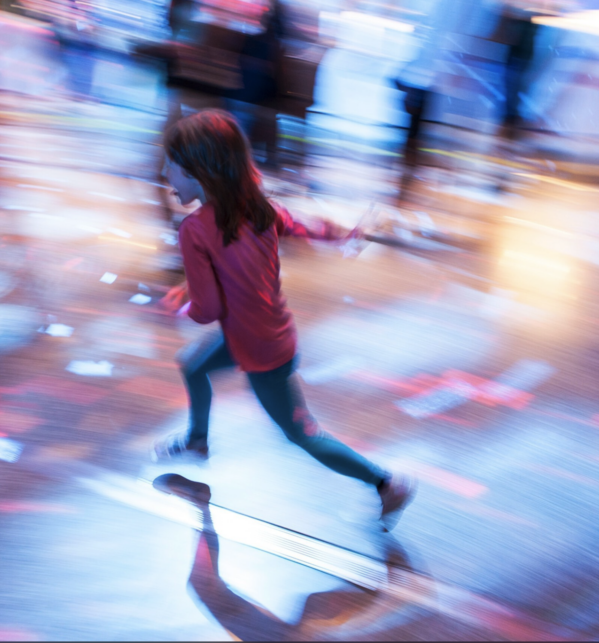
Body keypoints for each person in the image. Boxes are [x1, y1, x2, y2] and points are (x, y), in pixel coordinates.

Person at [152, 109, 416, 530]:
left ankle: (385, 483)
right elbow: (299, 229)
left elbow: (208, 311)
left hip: (258, 352)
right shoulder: (259, 209)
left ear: (200, 172)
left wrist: (184, 304)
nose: (165, 173)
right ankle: (198, 441)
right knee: (193, 364)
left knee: (302, 434)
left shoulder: (195, 230)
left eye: (173, 165)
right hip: (271, 334)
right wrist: (345, 234)